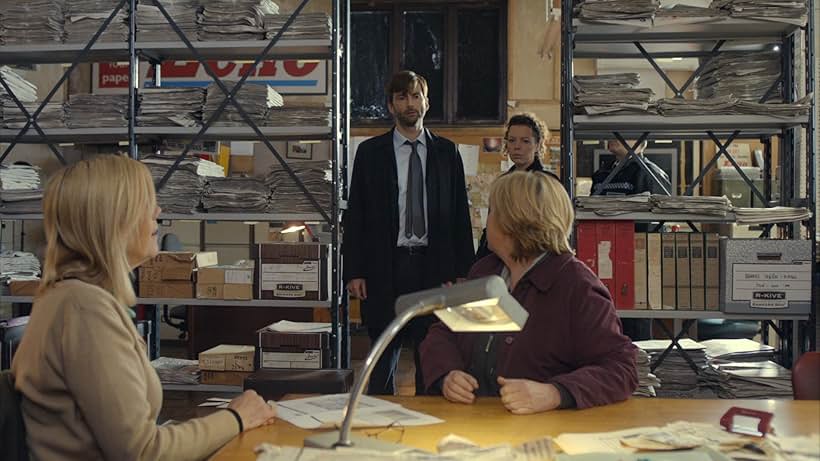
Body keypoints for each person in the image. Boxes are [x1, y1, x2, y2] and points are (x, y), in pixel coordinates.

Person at [11, 155, 276, 461]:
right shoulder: (84, 309)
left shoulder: (77, 299)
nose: (157, 211)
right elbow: (143, 452)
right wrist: (236, 418)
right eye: (145, 203)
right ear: (113, 220)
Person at [420, 172, 638, 413]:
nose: (487, 221)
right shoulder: (485, 271)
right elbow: (444, 334)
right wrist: (447, 374)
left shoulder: (577, 286)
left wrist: (556, 393)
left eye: (492, 211)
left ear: (513, 222)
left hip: (543, 436)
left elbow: (621, 368)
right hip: (475, 424)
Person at [343, 70, 475, 395]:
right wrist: (355, 270)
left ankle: (424, 431)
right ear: (390, 106)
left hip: (434, 267)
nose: (410, 103)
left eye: (416, 96)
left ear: (427, 102)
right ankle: (377, 426)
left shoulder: (447, 153)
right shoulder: (370, 153)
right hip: (385, 267)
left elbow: (460, 214)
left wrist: (463, 272)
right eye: (402, 97)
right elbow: (356, 215)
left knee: (430, 355)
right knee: (382, 355)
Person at [475, 112, 557, 261]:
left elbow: (553, 231)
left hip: (536, 259)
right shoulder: (502, 183)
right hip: (499, 260)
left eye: (525, 141)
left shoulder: (547, 182)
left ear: (537, 144)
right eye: (512, 140)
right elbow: (490, 230)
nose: (517, 146)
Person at [591, 139, 671, 196]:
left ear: (640, 142)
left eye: (624, 133)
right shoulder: (601, 172)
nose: (613, 138)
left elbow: (658, 213)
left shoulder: (650, 173)